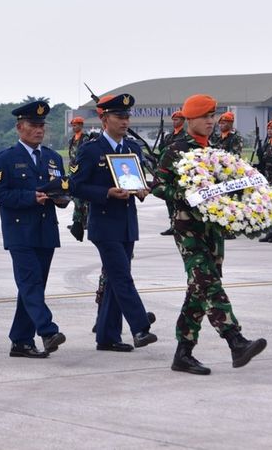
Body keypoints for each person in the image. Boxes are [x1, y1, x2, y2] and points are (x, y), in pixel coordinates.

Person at [152, 94, 266, 375]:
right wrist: (184, 194)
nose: (210, 121)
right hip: (187, 228)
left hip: (212, 231)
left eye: (212, 116)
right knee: (208, 283)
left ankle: (183, 354)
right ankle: (235, 341)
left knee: (198, 290)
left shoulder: (216, 151)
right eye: (204, 116)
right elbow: (156, 184)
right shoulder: (176, 149)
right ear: (190, 119)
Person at [70, 94, 157, 353]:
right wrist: (106, 192)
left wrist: (142, 189)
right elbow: (75, 185)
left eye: (127, 116)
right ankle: (140, 327)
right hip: (104, 224)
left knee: (112, 281)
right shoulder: (91, 149)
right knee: (121, 276)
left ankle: (107, 336)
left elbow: (139, 179)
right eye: (120, 116)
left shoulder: (132, 149)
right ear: (104, 118)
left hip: (127, 223)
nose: (125, 121)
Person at [0, 100, 67, 358]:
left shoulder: (53, 158)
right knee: (30, 282)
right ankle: (47, 330)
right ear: (19, 127)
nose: (39, 130)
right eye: (33, 125)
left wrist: (63, 199)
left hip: (46, 232)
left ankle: (21, 341)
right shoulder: (5, 158)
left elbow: (65, 191)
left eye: (42, 125)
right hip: (19, 232)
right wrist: (29, 198)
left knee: (33, 287)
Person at [66, 116, 91, 242]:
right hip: (73, 170)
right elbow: (71, 155)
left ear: (81, 125)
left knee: (82, 198)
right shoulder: (72, 139)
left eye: (76, 125)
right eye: (73, 125)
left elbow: (85, 155)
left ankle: (82, 221)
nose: (74, 127)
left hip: (81, 170)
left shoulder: (85, 138)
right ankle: (79, 221)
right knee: (75, 197)